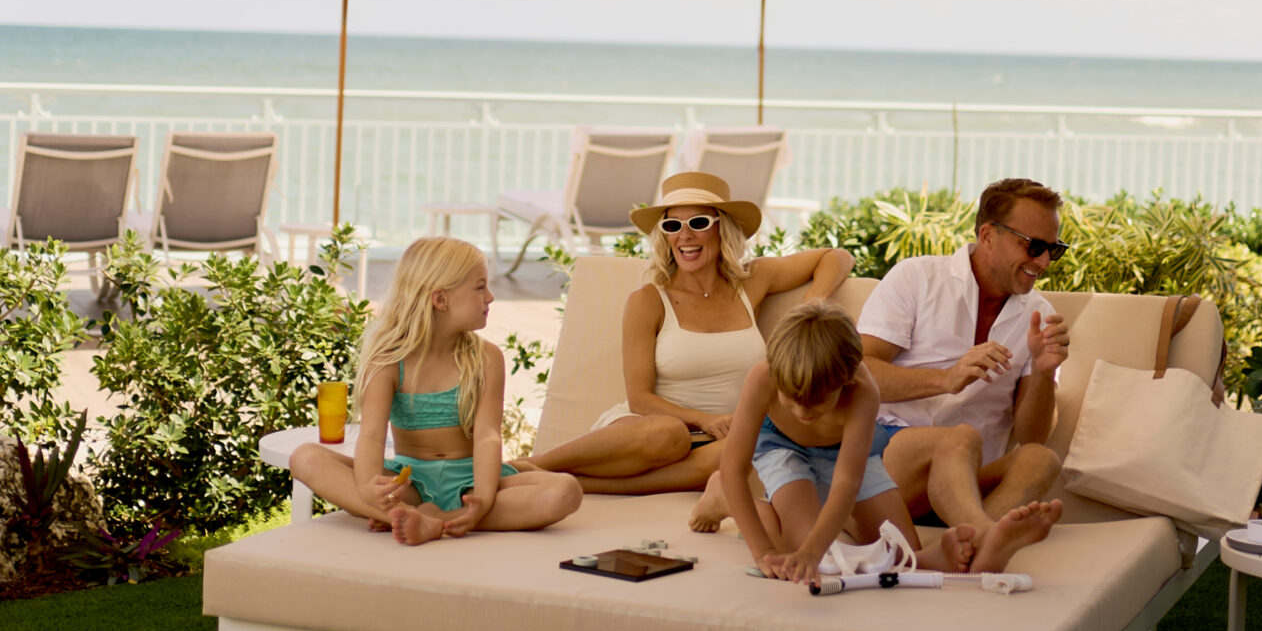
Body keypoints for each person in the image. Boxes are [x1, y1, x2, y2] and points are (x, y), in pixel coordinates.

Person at [520, 172, 852, 524]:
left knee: (740, 449)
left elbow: (836, 257)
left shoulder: (751, 282)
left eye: (697, 222)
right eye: (672, 225)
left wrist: (812, 305)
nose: (685, 235)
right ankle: (529, 466)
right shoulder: (648, 300)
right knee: (670, 433)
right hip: (646, 429)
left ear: (721, 229)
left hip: (715, 444)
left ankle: (583, 484)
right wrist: (705, 420)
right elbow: (640, 399)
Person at [719, 301, 1060, 587]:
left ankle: (935, 556)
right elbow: (732, 470)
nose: (803, 410)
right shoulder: (763, 376)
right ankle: (715, 499)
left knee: (901, 551)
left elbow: (847, 481)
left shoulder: (863, 390)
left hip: (845, 455)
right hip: (784, 449)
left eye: (818, 401)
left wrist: (811, 551)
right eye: (791, 399)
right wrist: (765, 552)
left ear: (846, 380)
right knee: (816, 555)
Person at [289, 235, 581, 544]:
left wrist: (482, 498)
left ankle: (434, 520)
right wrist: (368, 488)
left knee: (565, 492)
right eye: (480, 287)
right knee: (305, 458)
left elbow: (487, 435)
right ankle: (406, 514)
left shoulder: (486, 358)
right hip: (409, 483)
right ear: (440, 300)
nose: (491, 297)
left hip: (472, 479)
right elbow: (372, 435)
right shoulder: (387, 360)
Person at [860, 176, 1069, 550]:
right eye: (1034, 246)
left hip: (968, 483)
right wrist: (945, 379)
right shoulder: (917, 278)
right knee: (958, 439)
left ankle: (973, 542)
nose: (1042, 261)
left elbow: (1032, 434)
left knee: (1041, 458)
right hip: (888, 466)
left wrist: (1040, 371)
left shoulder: (1039, 314)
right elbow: (857, 372)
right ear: (988, 235)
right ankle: (988, 536)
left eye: (1054, 249)